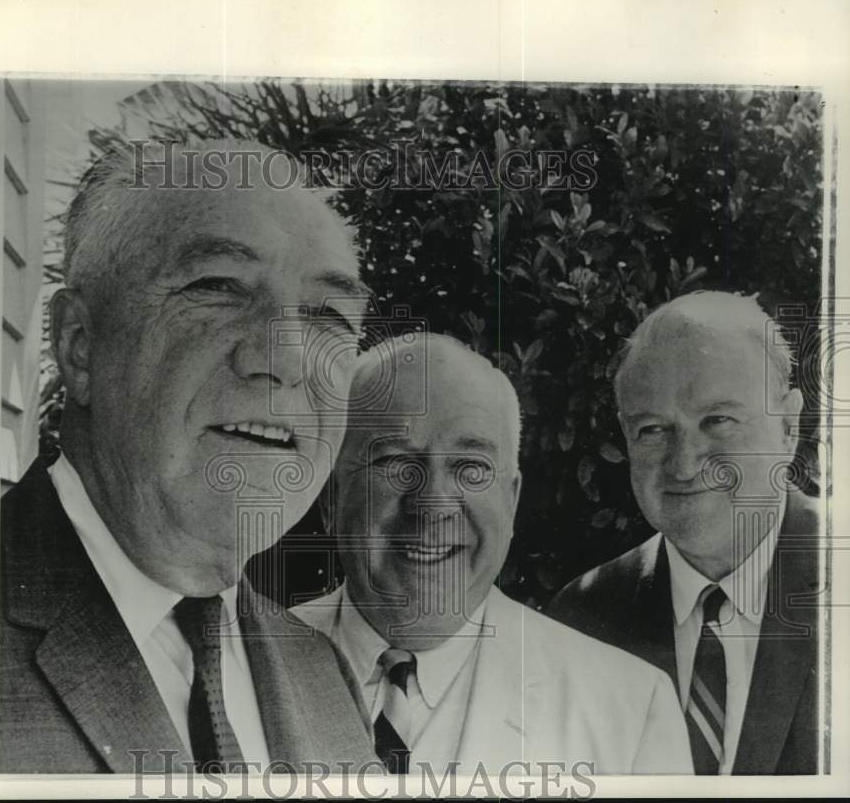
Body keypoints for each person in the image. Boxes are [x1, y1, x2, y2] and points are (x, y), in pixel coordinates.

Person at [0, 140, 377, 773]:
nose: (282, 359)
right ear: (81, 345)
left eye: (327, 315)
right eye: (218, 287)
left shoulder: (323, 673)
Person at [293, 333, 693, 776]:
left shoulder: (631, 712)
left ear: (512, 499)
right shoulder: (231, 671)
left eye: (471, 468)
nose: (434, 505)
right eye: (396, 463)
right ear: (331, 498)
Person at [548, 292, 821, 775]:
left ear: (789, 427)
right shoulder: (583, 619)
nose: (685, 463)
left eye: (717, 420)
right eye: (653, 429)